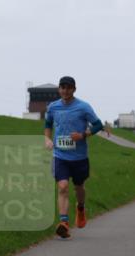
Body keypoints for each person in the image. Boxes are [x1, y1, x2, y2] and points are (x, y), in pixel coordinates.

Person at [44, 76, 103, 239]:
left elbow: (98, 125)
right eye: (62, 87)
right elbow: (48, 124)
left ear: (74, 89)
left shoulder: (83, 107)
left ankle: (81, 208)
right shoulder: (53, 107)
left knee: (79, 188)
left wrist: (83, 134)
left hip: (79, 157)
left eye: (68, 87)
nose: (65, 90)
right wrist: (47, 139)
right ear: (59, 89)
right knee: (62, 186)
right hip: (60, 156)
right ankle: (64, 223)